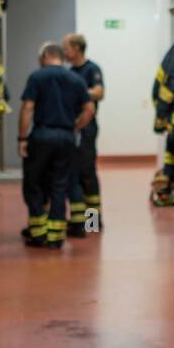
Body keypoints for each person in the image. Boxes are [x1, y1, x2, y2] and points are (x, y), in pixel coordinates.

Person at [20, 42, 95, 249]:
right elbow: (89, 109)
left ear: (45, 56)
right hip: (66, 138)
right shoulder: (76, 79)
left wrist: (22, 138)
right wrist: (74, 127)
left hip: (42, 135)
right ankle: (56, 237)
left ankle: (38, 234)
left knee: (33, 184)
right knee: (60, 186)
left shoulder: (37, 77)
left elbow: (27, 108)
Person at [63, 32, 105, 236]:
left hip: (87, 127)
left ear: (77, 48)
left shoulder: (91, 69)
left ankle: (94, 221)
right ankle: (78, 220)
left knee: (87, 173)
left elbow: (99, 92)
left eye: (67, 48)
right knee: (74, 174)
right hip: (73, 126)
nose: (65, 52)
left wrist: (80, 91)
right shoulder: (70, 71)